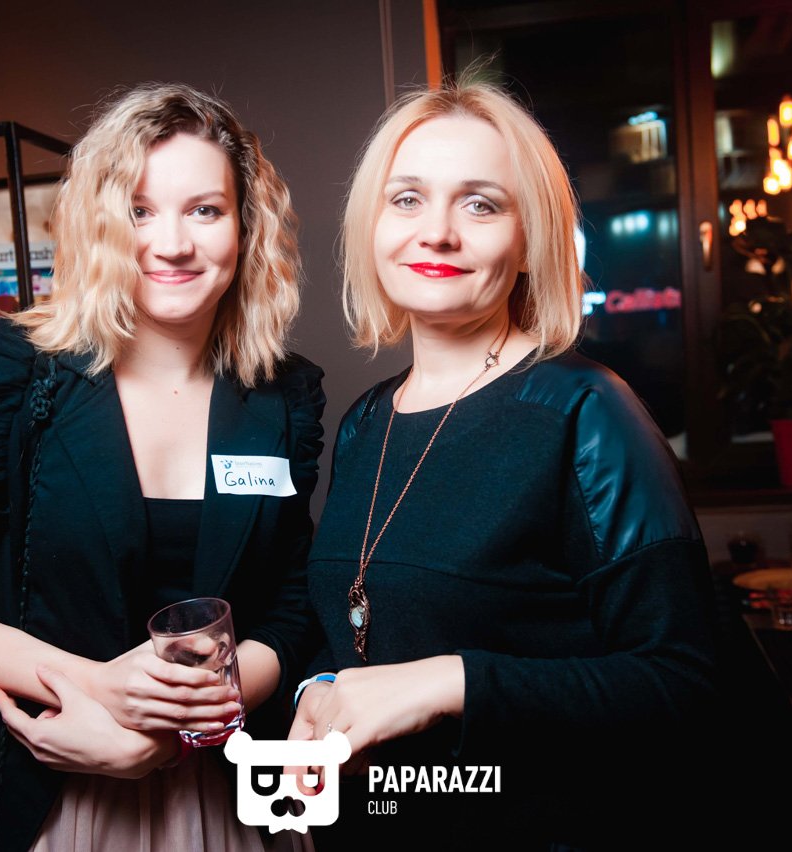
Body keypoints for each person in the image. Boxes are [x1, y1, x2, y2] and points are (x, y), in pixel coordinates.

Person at [0, 83, 325, 852]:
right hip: (47, 794)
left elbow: (288, 611)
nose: (172, 244)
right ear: (98, 223)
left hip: (223, 789)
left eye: (205, 210)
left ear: (246, 226)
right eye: (139, 211)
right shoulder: (17, 369)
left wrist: (181, 731)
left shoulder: (284, 396)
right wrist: (99, 689)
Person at [290, 80, 715, 846]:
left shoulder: (587, 413)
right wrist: (320, 689)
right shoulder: (365, 423)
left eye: (480, 205)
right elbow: (363, 618)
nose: (437, 233)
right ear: (372, 226)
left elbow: (682, 684)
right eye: (407, 199)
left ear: (528, 241)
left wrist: (449, 682)